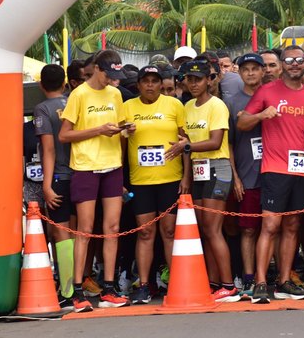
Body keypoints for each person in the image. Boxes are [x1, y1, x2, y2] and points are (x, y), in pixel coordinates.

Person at [237, 45, 304, 304]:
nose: (294, 64)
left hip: (302, 168)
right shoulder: (267, 91)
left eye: (299, 60)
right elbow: (241, 123)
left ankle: (284, 280)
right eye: (289, 60)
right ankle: (259, 282)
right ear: (281, 64)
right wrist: (260, 115)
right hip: (275, 168)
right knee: (270, 225)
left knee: (292, 226)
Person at [59, 50, 132, 311]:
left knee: (112, 228)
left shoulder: (115, 94)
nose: (112, 80)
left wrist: (126, 129)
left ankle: (109, 289)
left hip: (112, 165)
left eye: (116, 76)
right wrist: (98, 130)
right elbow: (64, 135)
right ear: (97, 70)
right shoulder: (79, 95)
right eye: (108, 75)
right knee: (85, 230)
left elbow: (121, 124)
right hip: (86, 166)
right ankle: (77, 291)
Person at [122, 65, 186, 304]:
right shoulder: (127, 107)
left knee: (169, 232)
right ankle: (144, 285)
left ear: (162, 84)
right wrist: (121, 180)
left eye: (154, 81)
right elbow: (120, 145)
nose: (150, 85)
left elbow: (185, 142)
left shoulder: (174, 105)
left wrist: (186, 177)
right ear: (138, 85)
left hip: (170, 179)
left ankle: (176, 283)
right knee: (146, 232)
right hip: (141, 181)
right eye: (145, 81)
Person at [177, 60, 240, 302]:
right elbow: (185, 147)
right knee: (206, 230)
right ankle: (214, 283)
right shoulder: (187, 107)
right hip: (198, 170)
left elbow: (215, 142)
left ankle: (228, 285)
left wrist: (187, 146)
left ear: (209, 80)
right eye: (189, 79)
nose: (193, 84)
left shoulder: (217, 106)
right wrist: (186, 176)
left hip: (218, 168)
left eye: (198, 79)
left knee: (214, 230)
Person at [33, 65, 75, 309]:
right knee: (79, 232)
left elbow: (48, 148)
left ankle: (68, 290)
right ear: (65, 82)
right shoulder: (72, 103)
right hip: (80, 173)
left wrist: (47, 185)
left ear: (41, 84)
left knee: (62, 234)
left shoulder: (42, 109)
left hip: (59, 176)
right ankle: (76, 285)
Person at [226, 53, 266, 299]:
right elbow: (228, 144)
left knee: (273, 228)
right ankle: (249, 278)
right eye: (246, 69)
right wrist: (235, 178)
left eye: (255, 68)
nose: (251, 73)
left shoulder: (274, 96)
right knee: (248, 230)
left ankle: (268, 277)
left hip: (274, 173)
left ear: (263, 71)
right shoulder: (231, 102)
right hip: (246, 175)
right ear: (239, 73)